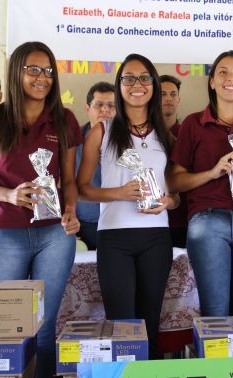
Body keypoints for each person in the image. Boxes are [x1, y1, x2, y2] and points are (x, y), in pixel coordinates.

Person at [0, 41, 81, 377]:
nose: (42, 77)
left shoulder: (64, 119)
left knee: (44, 322)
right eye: (33, 70)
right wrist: (9, 195)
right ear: (16, 73)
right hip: (6, 231)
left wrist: (70, 210)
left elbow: (68, 180)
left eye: (48, 71)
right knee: (1, 320)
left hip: (55, 234)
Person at [77, 54, 177, 359]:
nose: (137, 84)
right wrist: (118, 193)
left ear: (153, 85)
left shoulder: (165, 134)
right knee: (121, 325)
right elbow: (82, 189)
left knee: (150, 323)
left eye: (144, 78)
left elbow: (175, 194)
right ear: (119, 85)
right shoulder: (102, 131)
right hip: (114, 237)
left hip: (157, 237)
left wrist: (168, 201)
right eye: (129, 78)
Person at [170, 50, 233, 317]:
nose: (231, 78)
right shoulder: (193, 123)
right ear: (212, 81)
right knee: (215, 313)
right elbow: (175, 181)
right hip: (207, 220)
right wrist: (211, 173)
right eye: (223, 72)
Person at [75, 81, 116, 250]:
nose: (105, 110)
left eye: (111, 106)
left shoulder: (131, 141)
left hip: (120, 223)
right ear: (87, 108)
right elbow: (61, 182)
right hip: (83, 224)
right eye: (99, 105)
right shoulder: (72, 140)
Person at [160, 74, 188, 248]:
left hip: (183, 219)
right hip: (150, 219)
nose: (168, 99)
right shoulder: (142, 134)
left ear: (179, 99)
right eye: (162, 94)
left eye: (173, 94)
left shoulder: (190, 132)